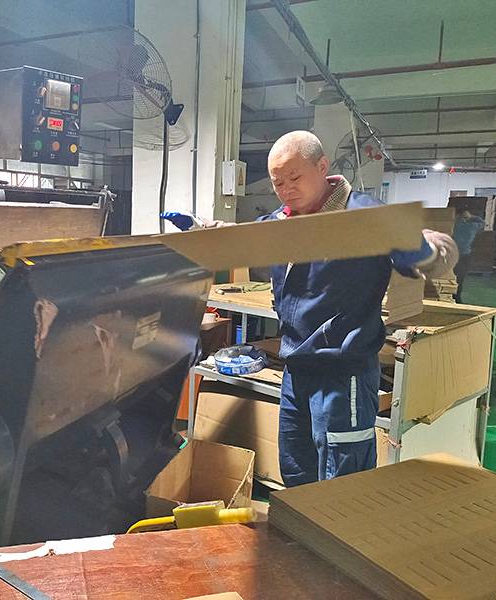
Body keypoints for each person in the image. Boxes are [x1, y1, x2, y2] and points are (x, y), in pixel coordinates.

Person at [162, 131, 457, 487]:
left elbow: (441, 253)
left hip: (342, 373)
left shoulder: (364, 216)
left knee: (341, 483)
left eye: (294, 177)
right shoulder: (281, 223)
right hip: (296, 370)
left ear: (322, 167)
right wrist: (200, 229)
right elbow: (241, 237)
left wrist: (426, 249)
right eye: (278, 183)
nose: (286, 189)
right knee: (296, 471)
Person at [452, 208, 485, 302]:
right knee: (460, 278)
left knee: (451, 276)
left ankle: (449, 294)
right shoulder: (472, 226)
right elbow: (482, 223)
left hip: (452, 255)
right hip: (465, 256)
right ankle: (457, 297)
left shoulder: (454, 226)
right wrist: (471, 217)